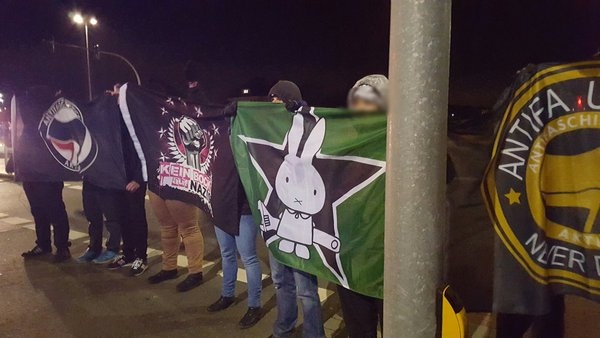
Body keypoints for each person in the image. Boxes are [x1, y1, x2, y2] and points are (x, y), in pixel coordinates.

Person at [267, 80, 326, 338]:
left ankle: (314, 334)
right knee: (281, 282)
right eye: (272, 99)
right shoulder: (270, 127)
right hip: (277, 214)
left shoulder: (306, 122)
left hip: (301, 217)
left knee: (306, 289)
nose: (273, 104)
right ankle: (284, 328)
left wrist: (300, 110)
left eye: (278, 99)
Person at [337, 74, 389, 338]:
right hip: (351, 261)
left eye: (368, 102)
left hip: (389, 266)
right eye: (356, 101)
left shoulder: (403, 145)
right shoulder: (344, 144)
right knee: (358, 331)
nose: (360, 108)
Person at [15, 86, 71, 262]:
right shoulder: (27, 120)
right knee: (38, 210)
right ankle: (43, 244)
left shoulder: (52, 113)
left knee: (55, 209)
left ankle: (62, 247)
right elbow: (21, 138)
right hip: (29, 170)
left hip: (48, 171)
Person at [106, 86, 150, 276]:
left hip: (134, 177)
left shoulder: (136, 116)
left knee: (136, 217)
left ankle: (141, 256)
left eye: (118, 92)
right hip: (118, 177)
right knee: (122, 217)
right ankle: (128, 253)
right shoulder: (114, 116)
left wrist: (139, 178)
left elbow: (147, 147)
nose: (115, 94)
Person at [207, 192, 263, 329]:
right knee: (226, 253)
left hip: (244, 208)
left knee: (248, 258)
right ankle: (227, 295)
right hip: (219, 205)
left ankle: (254, 306)